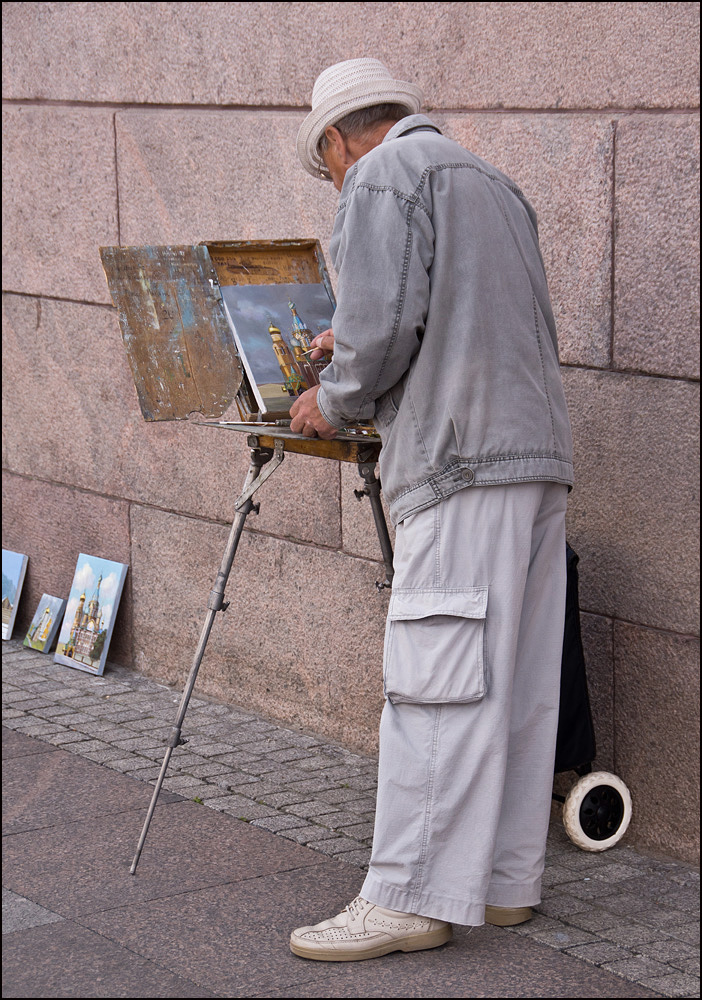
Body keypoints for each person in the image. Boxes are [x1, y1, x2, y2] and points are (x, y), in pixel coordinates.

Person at [288, 58, 574, 962]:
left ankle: (409, 896)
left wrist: (330, 398)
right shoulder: (489, 180)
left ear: (338, 138)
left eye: (323, 163)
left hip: (458, 461)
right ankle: (499, 884)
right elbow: (462, 313)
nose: (333, 178)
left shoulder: (381, 174)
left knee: (437, 683)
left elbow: (377, 337)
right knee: (516, 682)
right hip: (532, 458)